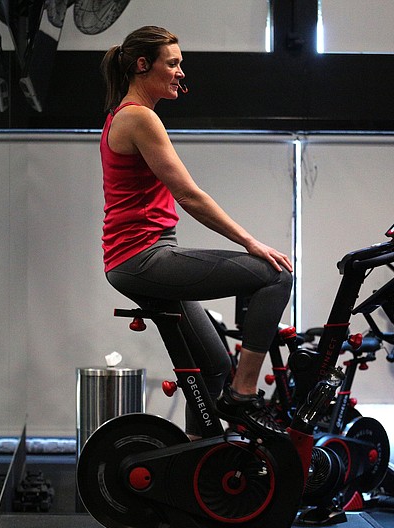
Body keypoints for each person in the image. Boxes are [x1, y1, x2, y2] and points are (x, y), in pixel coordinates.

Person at [99, 26, 293, 438]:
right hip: (143, 258)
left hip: (137, 258)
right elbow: (189, 195)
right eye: (172, 63)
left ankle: (195, 452)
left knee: (213, 365)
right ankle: (243, 395)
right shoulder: (139, 117)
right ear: (141, 65)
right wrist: (250, 242)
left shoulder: (123, 114)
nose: (180, 73)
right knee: (276, 276)